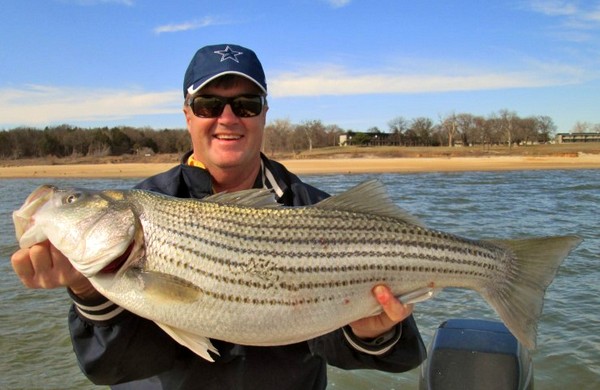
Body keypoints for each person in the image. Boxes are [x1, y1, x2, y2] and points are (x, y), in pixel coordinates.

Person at [11, 43, 426, 389]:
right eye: (209, 104)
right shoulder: (149, 202)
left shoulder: (316, 210)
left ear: (264, 114)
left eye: (246, 104)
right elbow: (110, 368)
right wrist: (88, 293)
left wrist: (373, 332)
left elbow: (392, 356)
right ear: (188, 114)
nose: (227, 118)